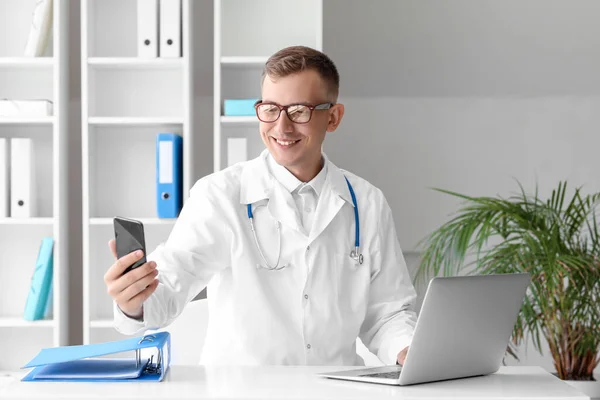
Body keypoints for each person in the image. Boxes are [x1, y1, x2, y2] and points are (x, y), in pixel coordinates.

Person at [104, 45, 417, 366]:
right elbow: (171, 281)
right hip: (244, 391)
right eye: (270, 109)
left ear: (333, 117)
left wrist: (406, 350)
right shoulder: (219, 196)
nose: (281, 127)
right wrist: (135, 301)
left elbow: (387, 314)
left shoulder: (366, 202)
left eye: (298, 111)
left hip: (339, 390)